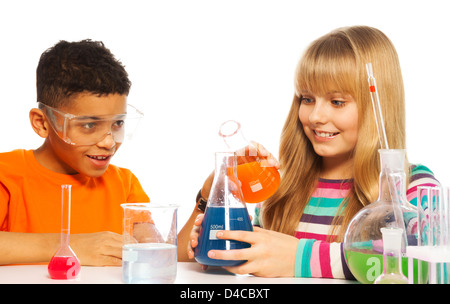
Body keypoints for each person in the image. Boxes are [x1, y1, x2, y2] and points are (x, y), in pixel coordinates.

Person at [179, 25, 440, 278]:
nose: (315, 116)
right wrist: (211, 201)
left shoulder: (414, 189)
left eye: (337, 102)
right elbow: (179, 259)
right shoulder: (281, 192)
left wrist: (297, 259)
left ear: (378, 106)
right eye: (307, 98)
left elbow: (424, 268)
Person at [0, 40, 149, 266]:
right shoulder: (6, 174)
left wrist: (204, 199)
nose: (108, 142)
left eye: (118, 123)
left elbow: (157, 253)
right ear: (42, 123)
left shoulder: (125, 184)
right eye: (89, 125)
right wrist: (69, 246)